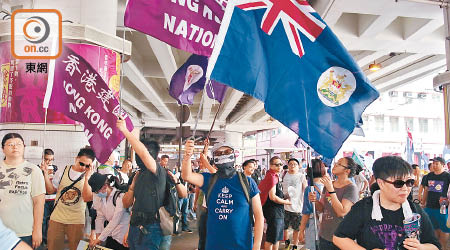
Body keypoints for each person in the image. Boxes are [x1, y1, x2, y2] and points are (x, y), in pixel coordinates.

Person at [333, 156, 440, 250]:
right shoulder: (363, 208)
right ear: (381, 183)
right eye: (398, 183)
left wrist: (420, 247)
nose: (405, 189)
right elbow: (339, 237)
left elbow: (434, 246)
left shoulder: (415, 210)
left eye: (409, 182)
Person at [118, 118, 187, 250]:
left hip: (152, 227)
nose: (138, 154)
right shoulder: (137, 175)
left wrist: (125, 130)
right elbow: (127, 204)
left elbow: (143, 154)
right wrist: (132, 187)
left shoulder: (159, 172)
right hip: (135, 226)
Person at [182, 140, 264, 250]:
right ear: (214, 160)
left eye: (227, 152)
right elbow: (187, 176)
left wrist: (257, 245)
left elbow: (259, 216)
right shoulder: (208, 180)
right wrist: (187, 156)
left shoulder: (247, 182)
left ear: (234, 155)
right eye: (218, 154)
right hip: (214, 245)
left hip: (242, 245)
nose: (223, 155)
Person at [0, 133, 45, 249]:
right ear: (3, 149)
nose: (15, 147)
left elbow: (39, 203)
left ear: (24, 147)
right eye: (10, 144)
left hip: (24, 232)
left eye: (19, 144)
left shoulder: (34, 170)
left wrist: (37, 230)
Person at [45, 147, 95, 250]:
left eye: (87, 166)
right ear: (76, 158)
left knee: (76, 248)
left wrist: (87, 178)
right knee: (53, 247)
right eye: (81, 163)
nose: (83, 167)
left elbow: (87, 198)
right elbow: (50, 190)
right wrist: (45, 174)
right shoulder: (63, 170)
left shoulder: (90, 176)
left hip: (76, 220)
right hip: (57, 218)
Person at [309, 157, 359, 249]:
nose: (335, 164)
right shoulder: (329, 184)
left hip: (341, 237)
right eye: (336, 162)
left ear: (347, 171)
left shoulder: (351, 188)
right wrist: (315, 200)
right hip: (325, 235)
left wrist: (331, 190)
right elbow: (322, 208)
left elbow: (342, 212)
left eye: (339, 164)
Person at [88, 173, 130, 250]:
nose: (97, 194)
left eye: (97, 191)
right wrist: (98, 235)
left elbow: (115, 220)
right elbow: (100, 217)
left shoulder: (120, 197)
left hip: (123, 238)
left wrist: (100, 238)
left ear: (105, 186)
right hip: (112, 236)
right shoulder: (102, 199)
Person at [258, 156, 291, 250]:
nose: (279, 166)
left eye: (281, 164)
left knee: (276, 238)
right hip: (273, 211)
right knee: (271, 238)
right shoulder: (272, 177)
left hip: (276, 211)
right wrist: (286, 202)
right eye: (276, 165)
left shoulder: (273, 176)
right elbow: (272, 197)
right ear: (270, 166)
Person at [421, 157, 450, 249]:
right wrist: (423, 202)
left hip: (442, 207)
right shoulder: (429, 176)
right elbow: (426, 190)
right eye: (433, 163)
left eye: (437, 163)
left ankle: (444, 247)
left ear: (443, 165)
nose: (434, 165)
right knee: (433, 228)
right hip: (429, 206)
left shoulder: (447, 176)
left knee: (444, 229)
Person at [299, 159, 326, 250]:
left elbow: (306, 213)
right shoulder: (328, 186)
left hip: (314, 223)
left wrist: (301, 230)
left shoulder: (310, 189)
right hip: (327, 222)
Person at [282, 158, 307, 250]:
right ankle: (287, 242)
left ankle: (295, 245)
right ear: (288, 165)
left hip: (297, 207)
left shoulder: (301, 176)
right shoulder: (285, 175)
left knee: (296, 229)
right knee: (285, 227)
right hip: (285, 206)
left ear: (298, 166)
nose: (292, 166)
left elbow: (305, 189)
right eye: (290, 164)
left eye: (294, 164)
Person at [39, 148, 58, 247]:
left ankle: (49, 240)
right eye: (47, 159)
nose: (49, 161)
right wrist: (43, 172)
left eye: (51, 159)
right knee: (42, 220)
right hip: (43, 199)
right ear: (42, 158)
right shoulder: (38, 168)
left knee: (52, 221)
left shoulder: (55, 168)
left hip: (54, 199)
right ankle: (41, 240)